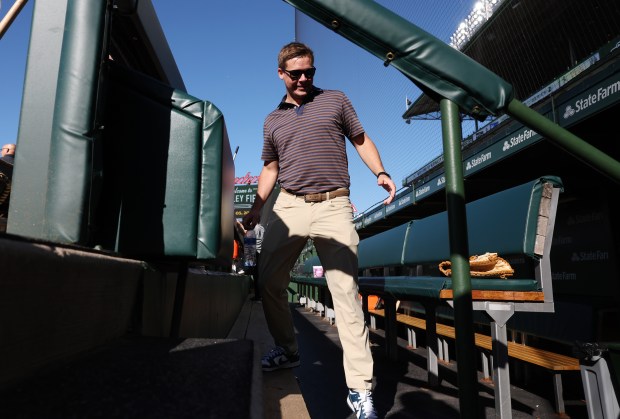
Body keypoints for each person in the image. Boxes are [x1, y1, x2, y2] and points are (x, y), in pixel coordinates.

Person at [242, 42, 396, 419]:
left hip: (333, 203)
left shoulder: (335, 100)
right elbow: (270, 169)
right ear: (281, 74)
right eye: (295, 73)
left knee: (345, 295)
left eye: (309, 71)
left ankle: (360, 390)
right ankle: (288, 349)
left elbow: (361, 139)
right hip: (290, 204)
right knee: (268, 284)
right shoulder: (272, 120)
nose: (303, 79)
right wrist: (256, 209)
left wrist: (380, 171)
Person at [251, 222, 265, 300]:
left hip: (255, 253)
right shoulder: (263, 228)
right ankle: (261, 295)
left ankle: (257, 296)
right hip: (262, 253)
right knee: (260, 274)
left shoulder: (254, 229)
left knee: (256, 275)